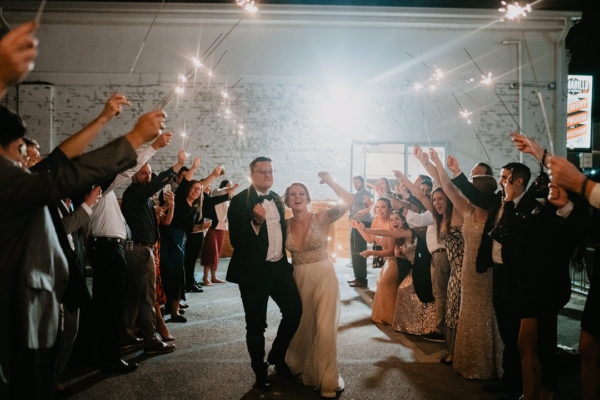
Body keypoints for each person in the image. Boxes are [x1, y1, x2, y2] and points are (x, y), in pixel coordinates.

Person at [0, 104, 164, 398]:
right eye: (20, 151)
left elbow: (60, 159)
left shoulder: (19, 182)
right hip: (17, 305)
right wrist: (136, 138)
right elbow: (71, 168)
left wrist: (104, 119)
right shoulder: (11, 184)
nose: (26, 158)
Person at [226, 156, 302, 392]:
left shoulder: (277, 199)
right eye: (262, 171)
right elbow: (237, 241)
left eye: (270, 171)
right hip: (253, 274)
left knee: (294, 311)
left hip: (279, 269)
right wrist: (256, 221)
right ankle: (260, 373)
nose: (268, 175)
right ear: (252, 174)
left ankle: (277, 357)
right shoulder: (239, 201)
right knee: (256, 325)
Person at [428, 148, 503, 380]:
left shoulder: (497, 213)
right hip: (466, 273)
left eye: (473, 188)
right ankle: (470, 361)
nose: (468, 191)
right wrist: (436, 162)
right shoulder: (467, 210)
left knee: (486, 314)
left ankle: (487, 363)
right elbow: (448, 187)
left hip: (486, 272)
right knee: (467, 314)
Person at [283, 172, 352, 398]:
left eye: (301, 193)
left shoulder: (321, 218)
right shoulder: (283, 225)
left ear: (308, 197)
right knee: (303, 326)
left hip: (323, 275)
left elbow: (349, 200)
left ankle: (328, 380)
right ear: (287, 200)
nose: (297, 197)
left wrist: (331, 181)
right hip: (298, 277)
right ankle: (301, 363)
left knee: (323, 327)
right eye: (293, 194)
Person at [395, 149, 464, 365]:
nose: (436, 202)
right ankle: (449, 342)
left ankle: (441, 331)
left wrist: (430, 162)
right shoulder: (436, 215)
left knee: (445, 298)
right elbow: (421, 196)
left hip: (453, 262)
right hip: (442, 260)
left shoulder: (455, 214)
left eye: (441, 198)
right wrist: (405, 179)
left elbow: (442, 188)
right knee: (444, 298)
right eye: (435, 199)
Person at [121, 148, 188, 355]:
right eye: (143, 173)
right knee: (148, 298)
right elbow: (157, 184)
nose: (148, 177)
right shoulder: (134, 193)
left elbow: (158, 223)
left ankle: (127, 334)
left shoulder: (145, 198)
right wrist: (177, 166)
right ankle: (150, 340)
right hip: (140, 251)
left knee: (133, 296)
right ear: (134, 176)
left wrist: (167, 207)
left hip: (142, 250)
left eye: (149, 173)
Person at [160, 157, 212, 322]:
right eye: (194, 188)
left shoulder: (195, 210)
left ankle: (174, 308)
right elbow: (186, 181)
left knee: (177, 272)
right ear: (189, 189)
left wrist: (201, 228)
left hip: (180, 239)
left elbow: (191, 229)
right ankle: (169, 307)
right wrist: (194, 167)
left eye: (199, 189)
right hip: (168, 235)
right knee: (168, 272)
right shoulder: (181, 198)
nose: (196, 191)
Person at [353, 197, 398, 325]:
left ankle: (392, 318)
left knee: (384, 283)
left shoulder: (391, 223)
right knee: (381, 284)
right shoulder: (376, 220)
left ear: (389, 209)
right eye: (377, 207)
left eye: (383, 207)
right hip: (388, 260)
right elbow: (370, 239)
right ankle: (383, 316)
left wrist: (371, 253)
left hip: (397, 259)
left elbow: (390, 251)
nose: (379, 210)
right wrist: (358, 228)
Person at [200, 180, 238, 286]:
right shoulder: (217, 192)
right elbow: (221, 190)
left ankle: (213, 276)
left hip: (221, 227)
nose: (230, 187)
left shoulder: (227, 200)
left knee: (217, 253)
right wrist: (229, 189)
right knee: (210, 252)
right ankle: (205, 277)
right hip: (212, 227)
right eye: (228, 185)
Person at [348, 176, 373, 288]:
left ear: (362, 182)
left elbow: (371, 208)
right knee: (354, 250)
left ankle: (362, 279)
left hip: (362, 224)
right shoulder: (356, 195)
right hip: (355, 224)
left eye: (357, 182)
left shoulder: (366, 193)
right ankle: (357, 277)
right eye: (354, 183)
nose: (355, 184)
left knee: (359, 250)